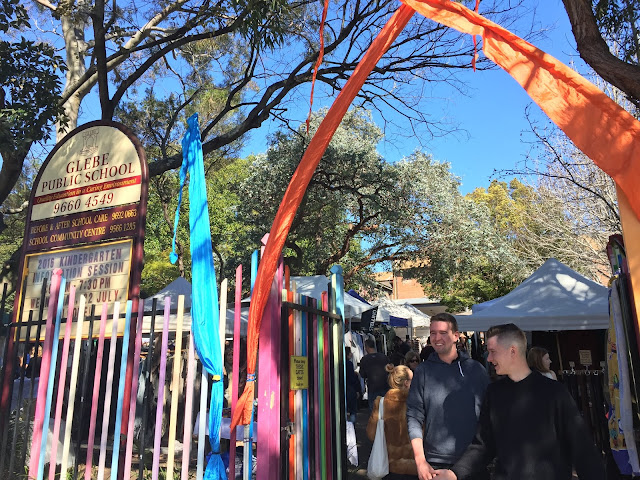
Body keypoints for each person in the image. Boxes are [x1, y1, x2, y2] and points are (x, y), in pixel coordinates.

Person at [434, 323, 606, 480]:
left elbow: (582, 448)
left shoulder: (554, 393)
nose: (489, 359)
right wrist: (455, 473)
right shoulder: (494, 393)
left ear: (513, 351)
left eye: (493, 351)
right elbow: (483, 444)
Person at [406, 313, 489, 480]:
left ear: (456, 336)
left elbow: (489, 416)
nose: (437, 338)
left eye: (443, 333)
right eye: (433, 333)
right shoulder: (423, 371)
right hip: (434, 462)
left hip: (472, 460)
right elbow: (414, 416)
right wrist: (420, 461)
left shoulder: (475, 370)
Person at [367, 364, 418, 479]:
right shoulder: (417, 403)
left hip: (388, 466)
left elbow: (371, 434)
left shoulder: (380, 403)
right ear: (406, 383)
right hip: (414, 466)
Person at [360, 338, 390, 411]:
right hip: (385, 386)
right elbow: (389, 370)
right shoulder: (384, 357)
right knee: (385, 410)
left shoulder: (365, 359)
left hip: (373, 388)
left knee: (374, 411)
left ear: (366, 347)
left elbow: (362, 374)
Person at [345, 347, 362, 423]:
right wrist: (357, 390)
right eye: (350, 352)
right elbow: (352, 378)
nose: (351, 354)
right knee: (352, 410)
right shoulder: (349, 364)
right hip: (350, 389)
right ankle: (352, 427)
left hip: (344, 389)